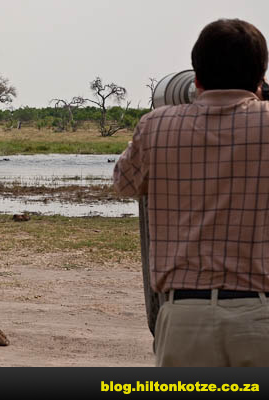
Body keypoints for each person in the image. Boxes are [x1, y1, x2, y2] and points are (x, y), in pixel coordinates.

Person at [114, 19, 269, 366]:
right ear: (260, 76)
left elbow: (123, 183)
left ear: (196, 78)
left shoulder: (156, 125)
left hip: (183, 315)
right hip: (260, 315)